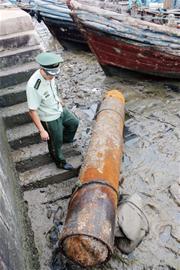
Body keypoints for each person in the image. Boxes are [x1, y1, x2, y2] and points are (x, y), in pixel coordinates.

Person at [26, 52, 79, 170]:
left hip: (58, 108)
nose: (52, 77)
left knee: (74, 123)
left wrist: (58, 99)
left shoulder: (51, 75)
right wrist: (41, 130)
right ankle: (60, 162)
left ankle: (65, 139)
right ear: (42, 69)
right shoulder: (33, 86)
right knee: (55, 142)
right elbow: (32, 110)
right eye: (50, 75)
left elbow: (52, 88)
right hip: (49, 117)